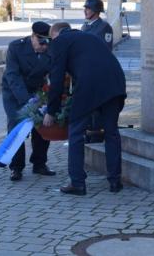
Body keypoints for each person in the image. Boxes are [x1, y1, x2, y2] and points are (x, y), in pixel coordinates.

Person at [43, 22, 126, 195]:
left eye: (51, 39)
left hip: (90, 86)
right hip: (115, 82)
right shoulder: (89, 36)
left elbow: (56, 78)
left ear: (56, 34)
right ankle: (115, 181)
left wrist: (51, 110)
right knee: (111, 132)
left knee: (75, 133)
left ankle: (77, 182)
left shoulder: (60, 41)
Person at [0, 21, 56, 181]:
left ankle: (39, 163)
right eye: (41, 42)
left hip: (37, 90)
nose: (44, 47)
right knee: (16, 125)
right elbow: (13, 76)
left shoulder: (50, 49)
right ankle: (16, 167)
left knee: (42, 125)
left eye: (47, 43)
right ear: (33, 37)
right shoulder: (16, 47)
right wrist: (27, 101)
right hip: (14, 92)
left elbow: (53, 72)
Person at [79, 0, 112, 144]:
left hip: (98, 71)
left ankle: (97, 133)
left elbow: (106, 50)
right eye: (85, 8)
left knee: (97, 106)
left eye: (88, 8)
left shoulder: (104, 27)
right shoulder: (85, 26)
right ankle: (87, 131)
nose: (85, 11)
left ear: (96, 11)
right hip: (85, 71)